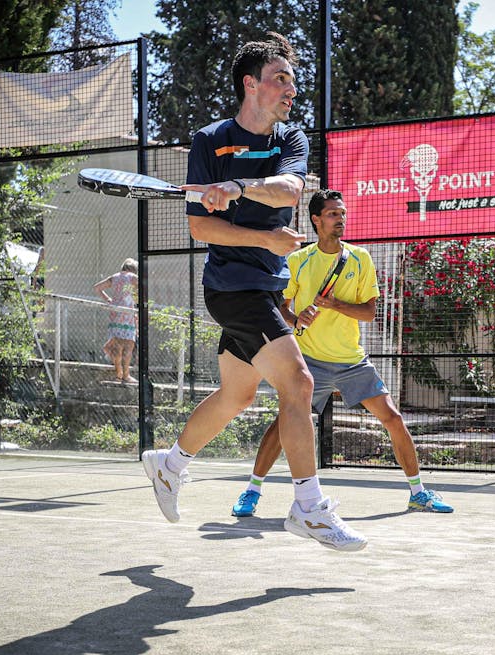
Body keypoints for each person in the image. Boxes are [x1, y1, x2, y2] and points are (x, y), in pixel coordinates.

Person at [139, 32, 366, 551]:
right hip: (232, 287)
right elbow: (201, 229)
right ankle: (309, 507)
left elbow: (290, 188)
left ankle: (169, 465)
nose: (290, 89)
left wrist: (238, 188)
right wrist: (262, 234)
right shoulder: (208, 141)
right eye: (280, 78)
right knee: (299, 384)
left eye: (292, 80)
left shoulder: (290, 139)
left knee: (238, 395)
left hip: (267, 286)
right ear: (251, 83)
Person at [230, 189, 454, 518]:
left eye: (342, 213)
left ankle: (418, 493)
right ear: (317, 219)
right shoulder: (298, 260)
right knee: (282, 426)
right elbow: (280, 308)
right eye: (333, 214)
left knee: (392, 418)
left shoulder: (360, 258)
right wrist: (297, 317)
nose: (341, 219)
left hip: (352, 361)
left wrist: (334, 304)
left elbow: (368, 313)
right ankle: (252, 491)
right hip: (309, 363)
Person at [94, 258, 138, 384]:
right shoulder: (132, 277)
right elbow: (141, 290)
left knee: (117, 347)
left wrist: (108, 299)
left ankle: (118, 373)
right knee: (129, 345)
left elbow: (97, 288)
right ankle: (126, 375)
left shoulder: (114, 277)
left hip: (115, 313)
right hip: (127, 314)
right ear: (133, 270)